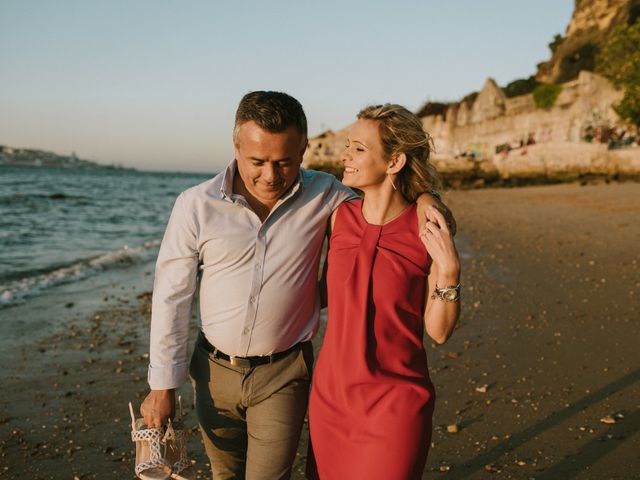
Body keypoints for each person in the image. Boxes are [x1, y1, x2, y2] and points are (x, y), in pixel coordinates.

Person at [140, 91, 454, 480]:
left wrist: (427, 197)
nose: (270, 176)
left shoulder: (325, 196)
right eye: (257, 161)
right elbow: (172, 296)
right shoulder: (195, 205)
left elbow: (387, 203)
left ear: (303, 150)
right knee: (226, 476)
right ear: (235, 147)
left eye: (285, 162)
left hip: (284, 371)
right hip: (212, 371)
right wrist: (162, 386)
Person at [308, 104, 461, 479]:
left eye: (358, 148)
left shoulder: (426, 228)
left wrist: (450, 270)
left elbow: (439, 332)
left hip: (396, 404)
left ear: (394, 162)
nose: (345, 155)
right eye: (348, 145)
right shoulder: (337, 218)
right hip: (330, 400)